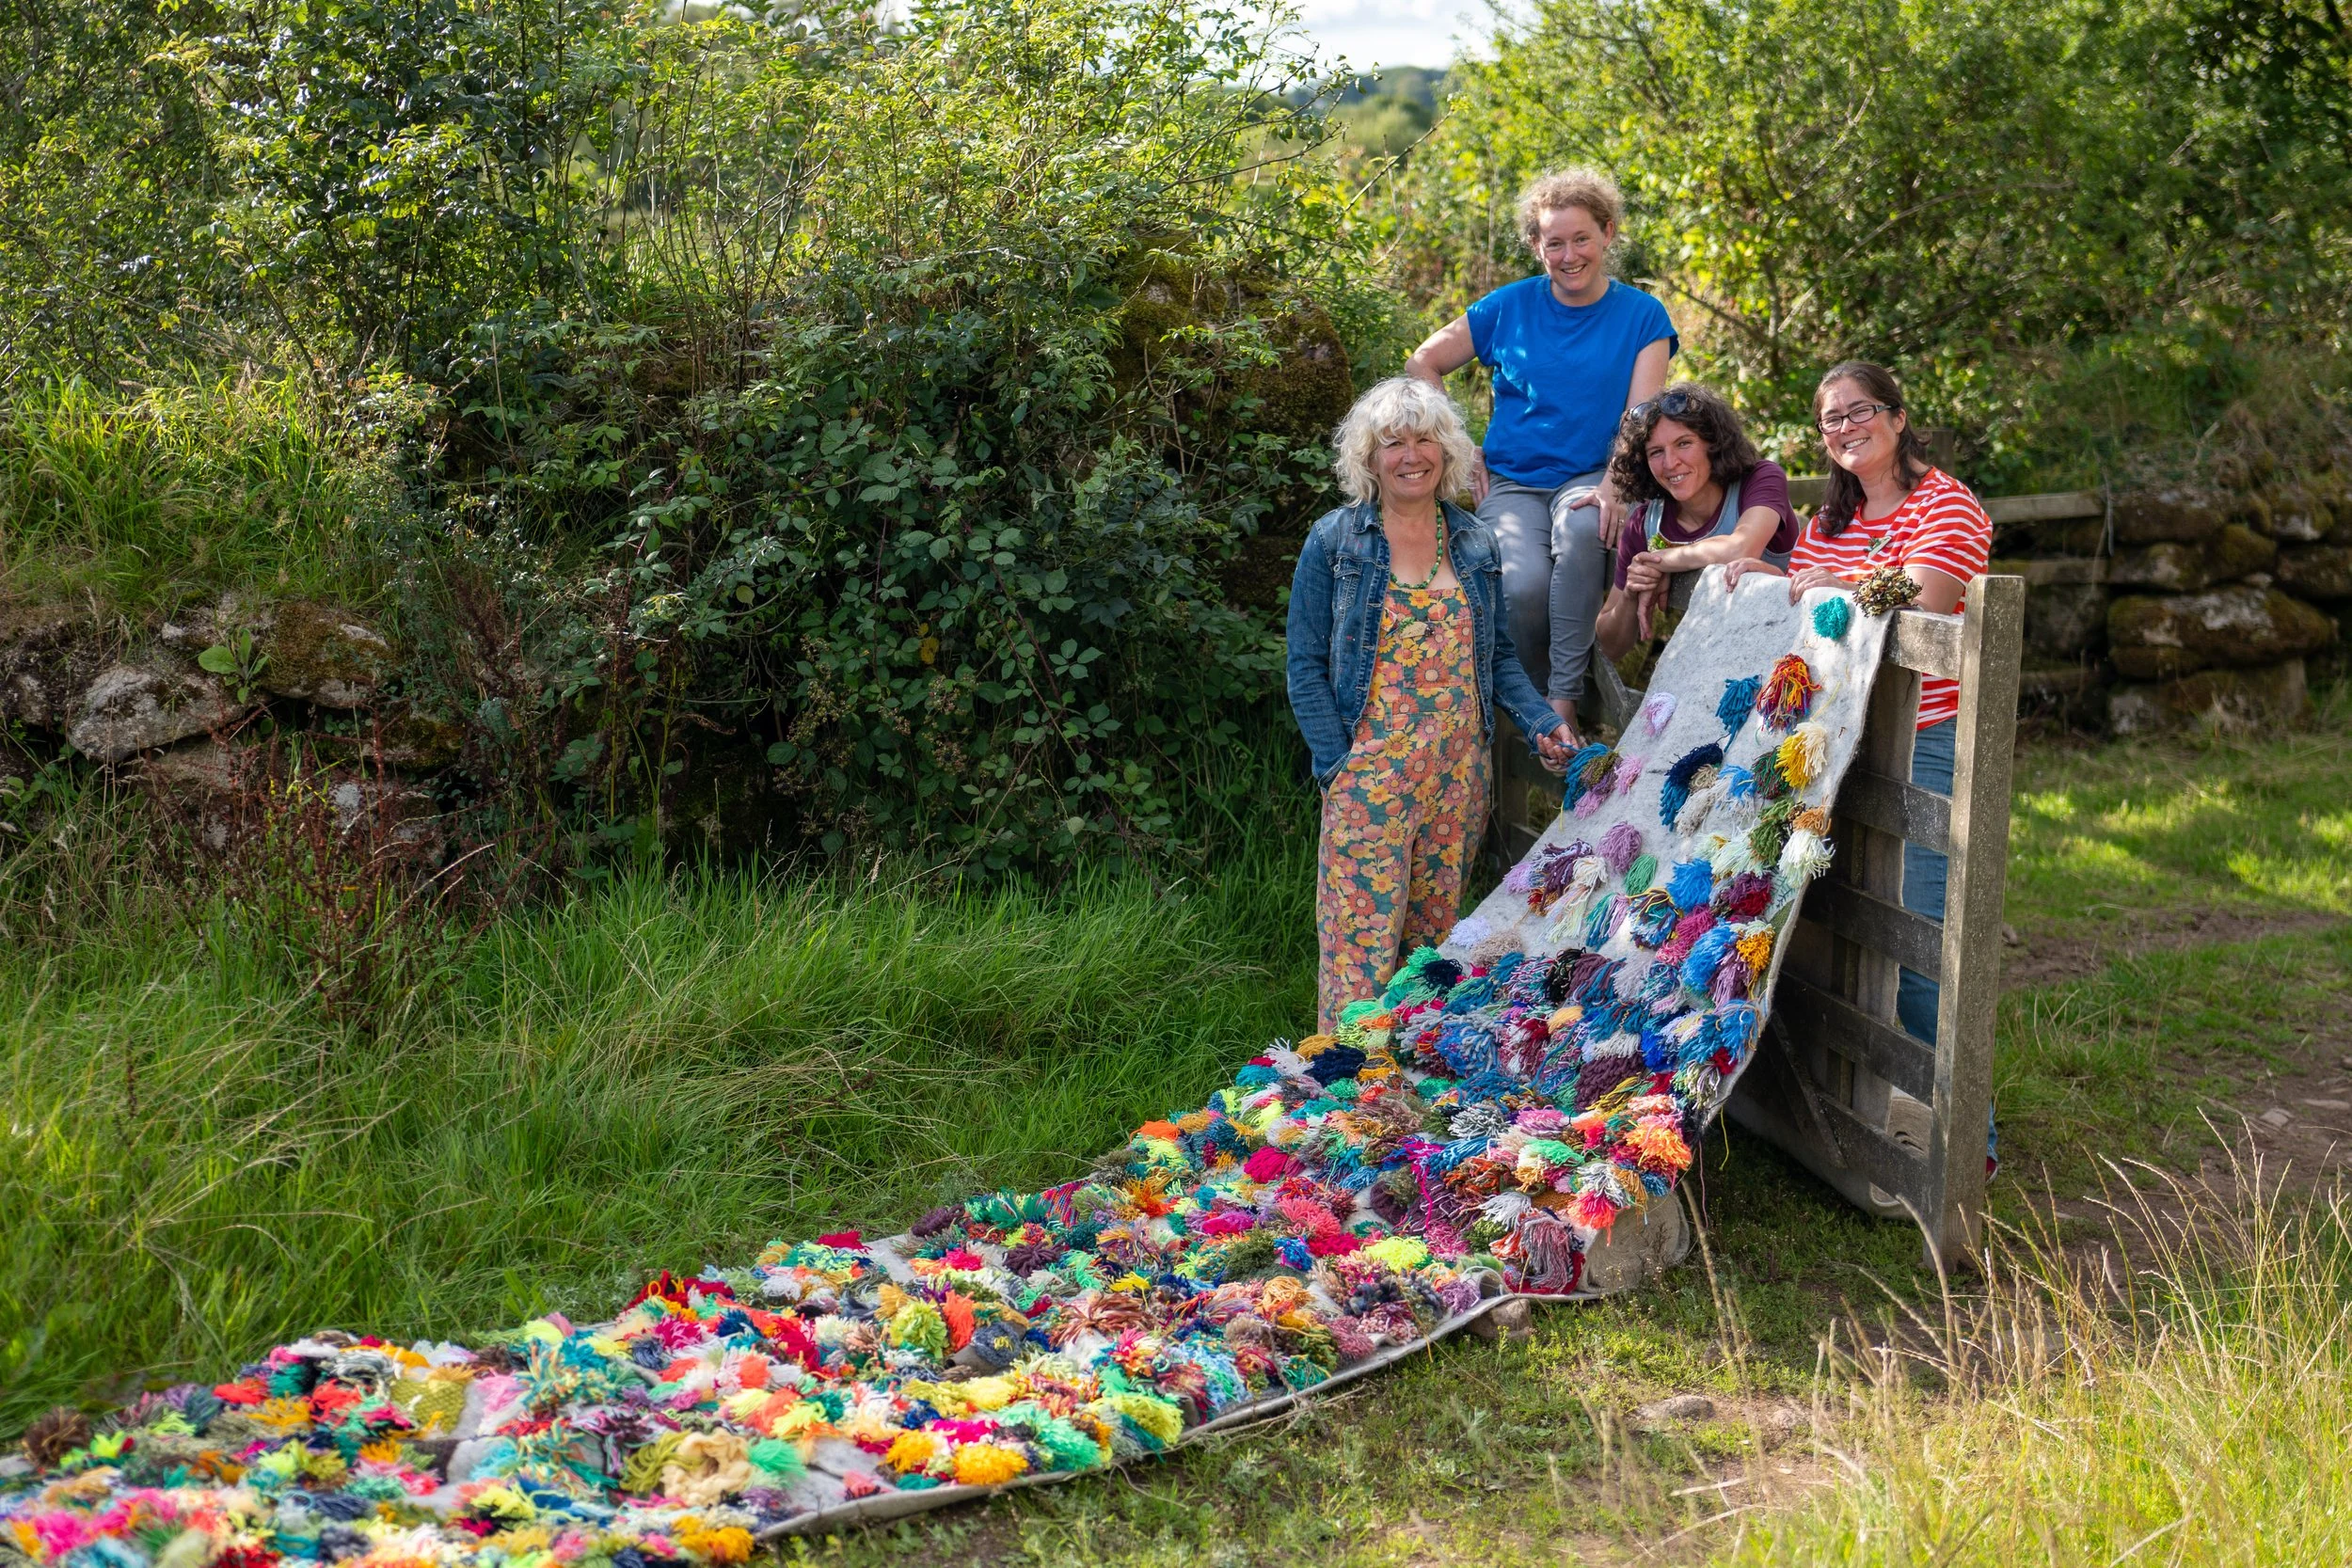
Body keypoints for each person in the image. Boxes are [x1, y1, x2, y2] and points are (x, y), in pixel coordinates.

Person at [1723, 360, 1997, 1171]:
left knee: (1915, 941)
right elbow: (1815, 600)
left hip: (1921, 741)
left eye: (1861, 411)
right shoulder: (1829, 517)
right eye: (1831, 420)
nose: (1846, 428)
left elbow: (1928, 600)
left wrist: (1830, 580)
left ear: (1899, 417)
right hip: (1842, 741)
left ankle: (1967, 1145)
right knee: (1843, 929)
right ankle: (1863, 1114)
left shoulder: (1946, 502)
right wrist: (1763, 579)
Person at [1288, 377, 1575, 1030]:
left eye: (1424, 439)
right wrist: (1340, 764)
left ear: (1446, 453)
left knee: (1431, 947)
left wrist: (1541, 724)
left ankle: (1410, 1084)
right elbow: (1303, 665)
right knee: (1359, 951)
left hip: (1457, 777)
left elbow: (1498, 657)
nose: (1410, 454)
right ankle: (1343, 1091)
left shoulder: (1474, 542)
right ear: (1369, 456)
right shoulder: (1335, 543)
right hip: (1371, 777)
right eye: (1393, 441)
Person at [1404, 167, 1677, 742]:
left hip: (1594, 475)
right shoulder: (1506, 308)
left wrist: (1613, 486)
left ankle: (1564, 700)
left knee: (1581, 531)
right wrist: (1456, 440)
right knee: (1521, 586)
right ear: (1537, 246)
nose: (1569, 254)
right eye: (1555, 242)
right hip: (1512, 483)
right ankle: (1534, 720)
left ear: (1607, 233)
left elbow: (1642, 417)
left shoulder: (1643, 316)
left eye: (1582, 238)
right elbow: (1422, 362)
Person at [1593, 384, 1800, 673]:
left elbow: (1741, 548)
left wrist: (1662, 561)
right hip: (1714, 670)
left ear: (1712, 442)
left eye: (1683, 443)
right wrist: (1631, 591)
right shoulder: (1645, 521)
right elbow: (1612, 647)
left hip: (1795, 658)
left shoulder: (1760, 479)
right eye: (1655, 452)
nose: (1670, 463)